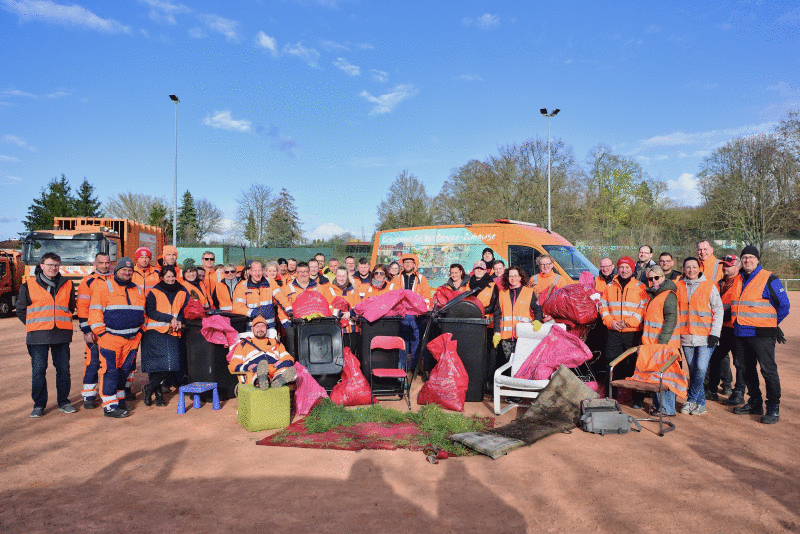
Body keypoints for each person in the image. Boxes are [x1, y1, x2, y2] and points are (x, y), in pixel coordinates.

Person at [731, 245, 790, 424]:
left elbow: (784, 306)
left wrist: (772, 324)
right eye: (744, 257)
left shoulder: (769, 279)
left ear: (757, 260)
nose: (747, 260)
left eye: (750, 257)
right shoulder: (738, 279)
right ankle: (755, 401)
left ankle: (773, 406)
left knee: (768, 371)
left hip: (762, 334)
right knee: (746, 369)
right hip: (741, 332)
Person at [17, 252, 77, 417]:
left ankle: (64, 402)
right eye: (50, 265)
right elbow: (21, 310)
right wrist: (35, 324)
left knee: (63, 370)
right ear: (42, 266)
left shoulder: (68, 284)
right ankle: (38, 405)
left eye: (56, 265)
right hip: (38, 335)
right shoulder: (28, 285)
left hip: (61, 334)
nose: (53, 268)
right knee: (38, 371)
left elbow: (71, 306)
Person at [88, 257, 146, 418]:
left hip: (132, 340)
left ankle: (119, 401)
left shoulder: (138, 289)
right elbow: (94, 312)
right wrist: (102, 334)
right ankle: (109, 406)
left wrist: (140, 332)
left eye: (130, 270)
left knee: (124, 372)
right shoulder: (103, 287)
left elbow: (144, 313)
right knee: (110, 372)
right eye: (124, 270)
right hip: (110, 339)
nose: (127, 273)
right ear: (116, 271)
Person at [676, 257, 723, 416]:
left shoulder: (709, 285)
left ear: (699, 268)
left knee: (701, 369)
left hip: (705, 337)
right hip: (686, 337)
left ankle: (690, 400)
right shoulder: (678, 286)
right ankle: (701, 404)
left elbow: (718, 310)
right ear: (683, 269)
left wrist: (715, 333)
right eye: (688, 267)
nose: (691, 270)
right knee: (694, 371)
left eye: (694, 267)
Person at [599, 256, 649, 405]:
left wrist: (627, 323)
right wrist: (611, 322)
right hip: (613, 332)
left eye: (627, 267)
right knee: (611, 364)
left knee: (635, 365)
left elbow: (643, 309)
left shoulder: (641, 287)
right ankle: (611, 397)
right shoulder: (609, 287)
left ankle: (637, 399)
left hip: (632, 333)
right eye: (621, 267)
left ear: (632, 269)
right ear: (617, 268)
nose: (624, 270)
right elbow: (603, 307)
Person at [141, 265, 188, 407]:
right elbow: (150, 311)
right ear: (162, 277)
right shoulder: (154, 291)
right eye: (167, 276)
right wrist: (169, 318)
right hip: (155, 333)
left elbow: (184, 309)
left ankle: (149, 388)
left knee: (171, 366)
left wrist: (179, 319)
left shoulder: (182, 290)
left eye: (172, 276)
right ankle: (159, 396)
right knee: (157, 367)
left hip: (172, 332)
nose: (170, 279)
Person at [640, 265, 682, 416]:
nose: (653, 281)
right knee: (657, 376)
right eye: (650, 279)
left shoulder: (668, 295)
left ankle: (667, 409)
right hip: (654, 345)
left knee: (666, 377)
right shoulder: (655, 294)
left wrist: (662, 342)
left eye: (656, 278)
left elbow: (671, 319)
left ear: (663, 277)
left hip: (664, 345)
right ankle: (659, 407)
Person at [76, 252, 111, 409]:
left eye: (107, 263)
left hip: (111, 330)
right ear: (95, 264)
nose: (104, 266)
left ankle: (111, 393)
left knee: (111, 363)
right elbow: (82, 307)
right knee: (92, 362)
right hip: (94, 331)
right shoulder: (87, 282)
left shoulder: (116, 280)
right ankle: (89, 396)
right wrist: (86, 330)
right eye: (101, 263)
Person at [710, 255, 744, 405]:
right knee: (716, 358)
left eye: (729, 265)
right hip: (722, 328)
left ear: (738, 267)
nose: (725, 268)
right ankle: (712, 388)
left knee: (739, 362)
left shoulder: (743, 282)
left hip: (737, 328)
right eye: (724, 265)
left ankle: (738, 392)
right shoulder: (719, 283)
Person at [228, 315, 296, 389]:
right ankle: (262, 380)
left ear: (266, 328)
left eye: (263, 326)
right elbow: (233, 364)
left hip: (275, 367)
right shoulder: (244, 344)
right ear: (252, 329)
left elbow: (288, 357)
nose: (260, 329)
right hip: (256, 368)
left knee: (286, 368)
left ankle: (277, 380)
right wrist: (247, 367)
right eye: (257, 326)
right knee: (258, 371)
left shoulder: (275, 342)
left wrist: (282, 361)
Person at [492, 266, 543, 360]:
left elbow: (537, 309)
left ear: (520, 277)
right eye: (510, 276)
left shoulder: (529, 292)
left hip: (523, 336)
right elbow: (497, 314)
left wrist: (538, 320)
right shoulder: (502, 293)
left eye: (516, 275)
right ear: (507, 278)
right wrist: (496, 332)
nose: (513, 278)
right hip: (506, 338)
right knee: (509, 364)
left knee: (522, 364)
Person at [233, 260, 292, 332]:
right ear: (250, 272)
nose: (257, 274)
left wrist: (289, 310)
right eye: (255, 271)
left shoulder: (270, 282)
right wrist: (254, 313)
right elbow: (237, 307)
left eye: (259, 271)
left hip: (270, 327)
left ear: (263, 271)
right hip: (252, 327)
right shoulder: (242, 286)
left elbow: (281, 298)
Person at [398, 253, 432, 373]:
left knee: (416, 344)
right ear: (402, 264)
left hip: (416, 316)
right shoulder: (397, 278)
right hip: (401, 316)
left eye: (410, 262)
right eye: (405, 262)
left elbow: (426, 296)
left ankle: (414, 369)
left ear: (414, 264)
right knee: (402, 343)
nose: (407, 264)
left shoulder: (421, 279)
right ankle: (403, 368)